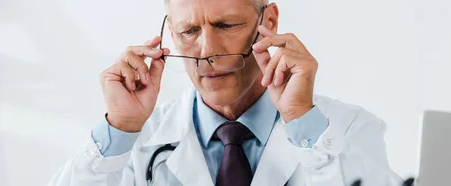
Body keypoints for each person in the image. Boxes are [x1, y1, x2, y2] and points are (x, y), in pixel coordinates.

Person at [49, 0, 401, 185]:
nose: (206, 51)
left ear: (270, 23)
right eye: (189, 30)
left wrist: (302, 121)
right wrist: (121, 127)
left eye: (226, 25)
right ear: (170, 34)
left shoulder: (348, 129)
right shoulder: (137, 144)